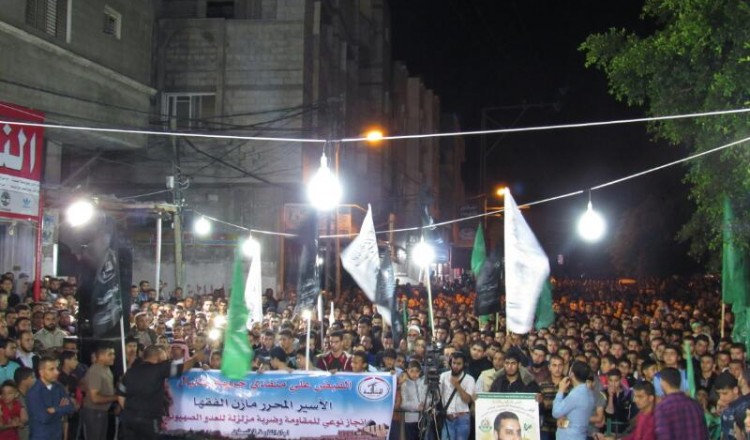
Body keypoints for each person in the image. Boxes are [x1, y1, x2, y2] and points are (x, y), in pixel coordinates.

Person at [117, 344, 205, 440]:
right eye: (164, 356)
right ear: (157, 356)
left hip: (129, 419)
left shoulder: (129, 372)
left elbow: (120, 396)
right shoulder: (160, 369)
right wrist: (195, 359)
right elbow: (183, 367)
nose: (166, 359)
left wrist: (131, 410)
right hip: (150, 420)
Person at [25, 356, 76, 440]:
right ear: (41, 372)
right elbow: (44, 418)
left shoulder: (59, 387)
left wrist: (55, 409)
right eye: (51, 369)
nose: (57, 372)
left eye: (56, 368)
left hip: (57, 435)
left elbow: (71, 408)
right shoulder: (33, 393)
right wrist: (61, 409)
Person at [654, 367, 708, 440]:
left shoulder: (663, 407)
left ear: (663, 383)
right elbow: (705, 434)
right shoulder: (695, 405)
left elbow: (664, 436)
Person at [80, 344, 117, 440]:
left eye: (113, 354)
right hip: (94, 413)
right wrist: (116, 397)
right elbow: (95, 398)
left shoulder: (106, 369)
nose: (113, 357)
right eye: (110, 354)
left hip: (102, 412)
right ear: (100, 356)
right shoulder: (95, 371)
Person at [552, 361, 595, 440]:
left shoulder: (576, 394)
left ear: (571, 374)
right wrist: (562, 418)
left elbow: (556, 412)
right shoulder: (589, 393)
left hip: (569, 437)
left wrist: (560, 390)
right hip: (579, 435)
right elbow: (576, 416)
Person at [439, 351, 475, 440]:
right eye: (454, 363)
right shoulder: (443, 376)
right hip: (448, 417)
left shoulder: (469, 379)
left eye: (459, 364)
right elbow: (438, 396)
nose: (455, 366)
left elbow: (467, 400)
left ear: (464, 365)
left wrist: (457, 385)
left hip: (462, 418)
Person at [398, 360, 427, 439]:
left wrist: (426, 404)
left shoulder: (424, 383)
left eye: (417, 371)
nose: (414, 374)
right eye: (412, 371)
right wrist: (417, 406)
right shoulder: (404, 385)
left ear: (420, 372)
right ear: (407, 371)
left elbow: (430, 398)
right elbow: (403, 404)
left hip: (424, 419)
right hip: (410, 419)